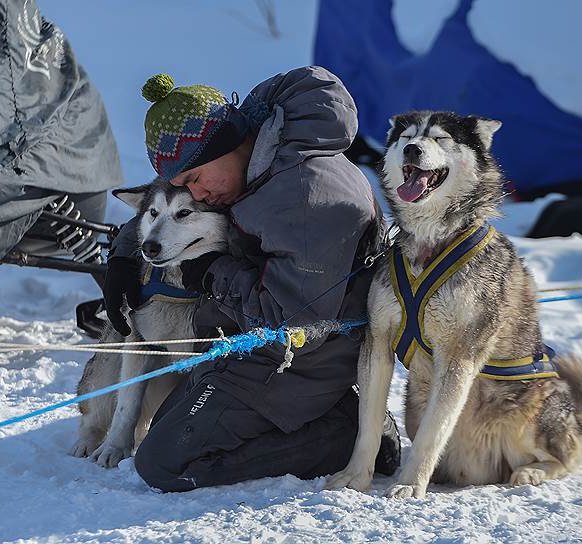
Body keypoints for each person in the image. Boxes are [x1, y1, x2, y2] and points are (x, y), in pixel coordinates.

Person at [104, 66, 400, 492]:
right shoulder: (254, 161)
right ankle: (336, 415)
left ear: (224, 146)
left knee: (163, 463)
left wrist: (209, 273)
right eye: (186, 184)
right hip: (242, 352)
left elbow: (290, 325)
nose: (199, 194)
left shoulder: (306, 196)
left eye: (195, 180)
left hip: (298, 365)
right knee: (165, 429)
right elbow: (169, 206)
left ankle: (349, 433)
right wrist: (127, 255)